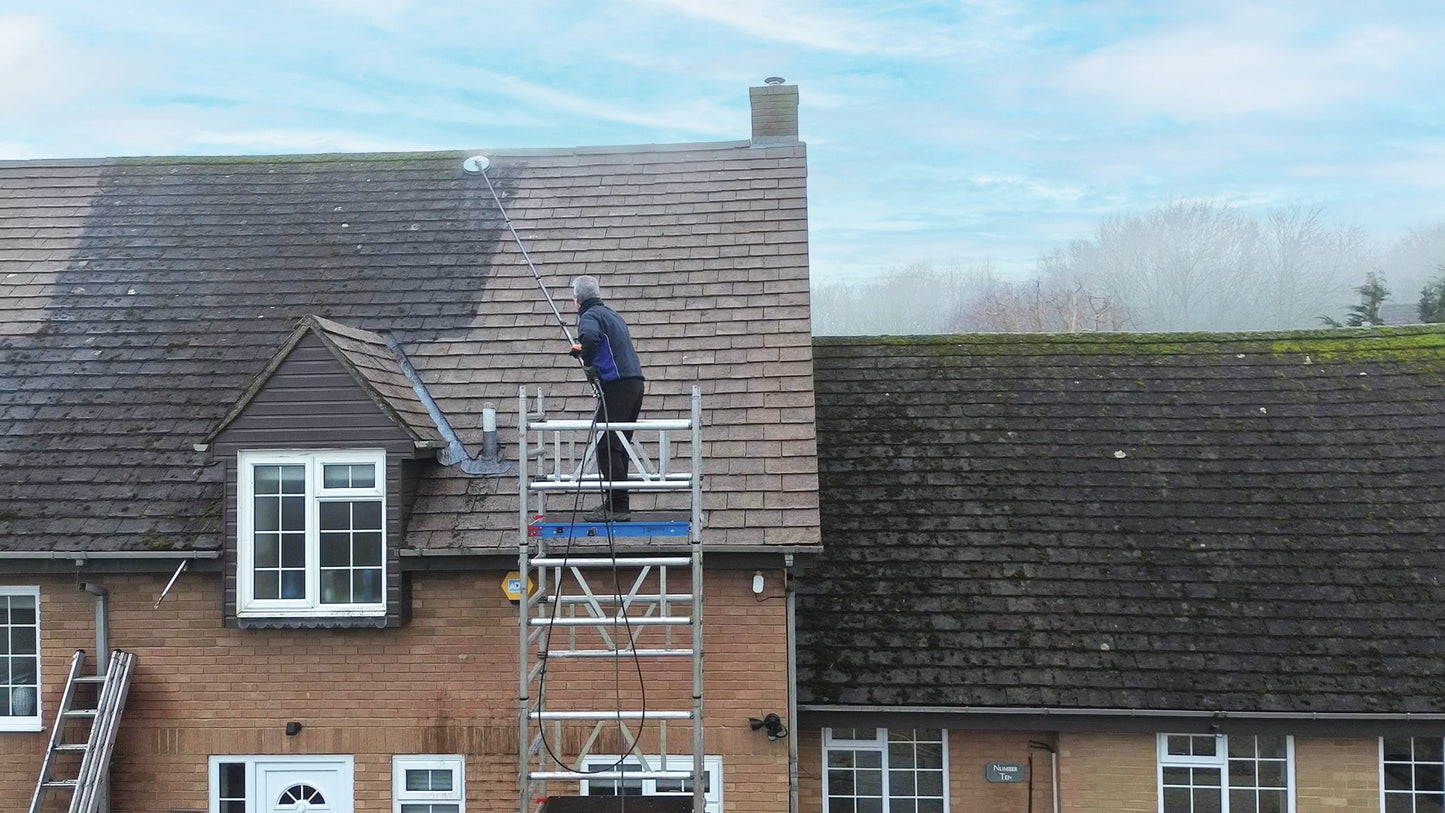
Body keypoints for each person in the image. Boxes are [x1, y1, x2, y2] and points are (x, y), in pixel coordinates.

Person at [570, 275, 644, 522]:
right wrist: (585, 351)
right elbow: (603, 343)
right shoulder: (612, 315)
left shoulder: (589, 316)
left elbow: (590, 337)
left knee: (605, 445)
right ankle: (617, 503)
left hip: (618, 385)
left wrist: (589, 364)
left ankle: (617, 506)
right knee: (619, 445)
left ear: (577, 300)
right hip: (634, 383)